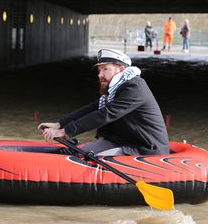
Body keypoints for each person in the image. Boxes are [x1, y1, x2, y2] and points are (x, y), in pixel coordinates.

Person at [38, 48, 169, 156]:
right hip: (121, 142)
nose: (100, 74)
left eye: (105, 69)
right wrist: (60, 124)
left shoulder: (135, 87)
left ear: (121, 69)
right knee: (74, 154)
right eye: (99, 70)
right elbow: (93, 109)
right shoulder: (115, 89)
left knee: (86, 160)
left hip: (144, 149)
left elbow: (106, 113)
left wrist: (65, 132)